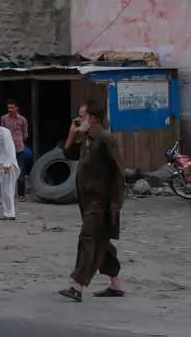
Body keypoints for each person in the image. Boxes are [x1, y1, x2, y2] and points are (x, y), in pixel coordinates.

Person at [58, 99, 125, 302]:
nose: (79, 119)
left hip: (101, 202)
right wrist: (72, 134)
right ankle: (116, 284)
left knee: (88, 238)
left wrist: (115, 203)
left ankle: (77, 286)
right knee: (101, 243)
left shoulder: (104, 138)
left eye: (82, 116)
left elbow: (119, 172)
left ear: (93, 118)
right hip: (86, 201)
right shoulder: (87, 138)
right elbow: (68, 154)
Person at [0, 100, 33, 200]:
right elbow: (2, 132)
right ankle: (7, 193)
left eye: (12, 108)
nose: (10, 110)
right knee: (6, 171)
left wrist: (19, 139)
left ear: (16, 108)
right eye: (8, 108)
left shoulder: (22, 120)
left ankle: (21, 195)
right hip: (7, 149)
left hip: (19, 149)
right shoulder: (4, 119)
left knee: (20, 172)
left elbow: (25, 133)